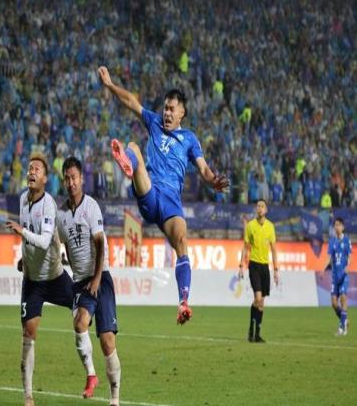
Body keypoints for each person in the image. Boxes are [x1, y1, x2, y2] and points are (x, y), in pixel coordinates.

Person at [97, 66, 228, 324]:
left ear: (182, 113)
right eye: (165, 108)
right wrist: (110, 85)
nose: (166, 113)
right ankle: (128, 163)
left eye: (171, 109)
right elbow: (131, 102)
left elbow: (203, 169)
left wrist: (213, 181)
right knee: (133, 146)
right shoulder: (154, 122)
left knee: (182, 242)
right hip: (150, 192)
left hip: (171, 204)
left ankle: (183, 302)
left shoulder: (189, 139)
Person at [5, 153, 75, 406]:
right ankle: (28, 396)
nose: (31, 172)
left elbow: (44, 241)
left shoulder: (49, 205)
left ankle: (94, 366)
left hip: (55, 276)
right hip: (33, 280)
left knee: (84, 308)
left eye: (37, 169)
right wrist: (25, 258)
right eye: (30, 168)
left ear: (45, 179)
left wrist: (21, 231)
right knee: (28, 332)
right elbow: (30, 240)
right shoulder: (23, 199)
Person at [57, 156, 121, 405]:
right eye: (67, 178)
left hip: (100, 278)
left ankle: (114, 398)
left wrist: (96, 278)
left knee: (107, 342)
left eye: (74, 177)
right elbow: (60, 245)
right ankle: (92, 376)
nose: (71, 182)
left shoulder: (91, 207)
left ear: (82, 179)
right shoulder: (61, 215)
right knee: (79, 322)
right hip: (81, 281)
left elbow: (100, 244)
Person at [238, 199, 279, 343]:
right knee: (258, 298)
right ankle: (251, 329)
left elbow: (273, 250)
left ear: (266, 210)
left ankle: (256, 334)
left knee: (261, 303)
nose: (260, 208)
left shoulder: (270, 227)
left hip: (265, 266)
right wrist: (241, 266)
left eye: (262, 206)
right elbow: (245, 247)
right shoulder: (250, 226)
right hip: (254, 265)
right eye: (258, 206)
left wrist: (276, 269)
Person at [324, 218, 352, 335]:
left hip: (344, 275)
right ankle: (345, 320)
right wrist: (323, 269)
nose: (337, 227)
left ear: (343, 227)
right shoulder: (332, 241)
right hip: (335, 276)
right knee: (334, 303)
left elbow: (349, 257)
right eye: (335, 225)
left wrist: (348, 266)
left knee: (343, 298)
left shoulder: (347, 240)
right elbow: (329, 258)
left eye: (339, 225)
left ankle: (342, 328)